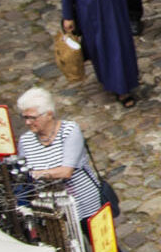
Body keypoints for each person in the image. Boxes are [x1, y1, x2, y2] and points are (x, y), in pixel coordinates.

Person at [15, 89, 101, 221]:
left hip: (84, 202)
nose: (27, 122)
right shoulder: (25, 141)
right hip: (52, 210)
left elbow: (66, 171)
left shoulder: (69, 131)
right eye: (24, 117)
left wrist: (35, 174)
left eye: (32, 118)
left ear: (49, 114)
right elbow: (23, 173)